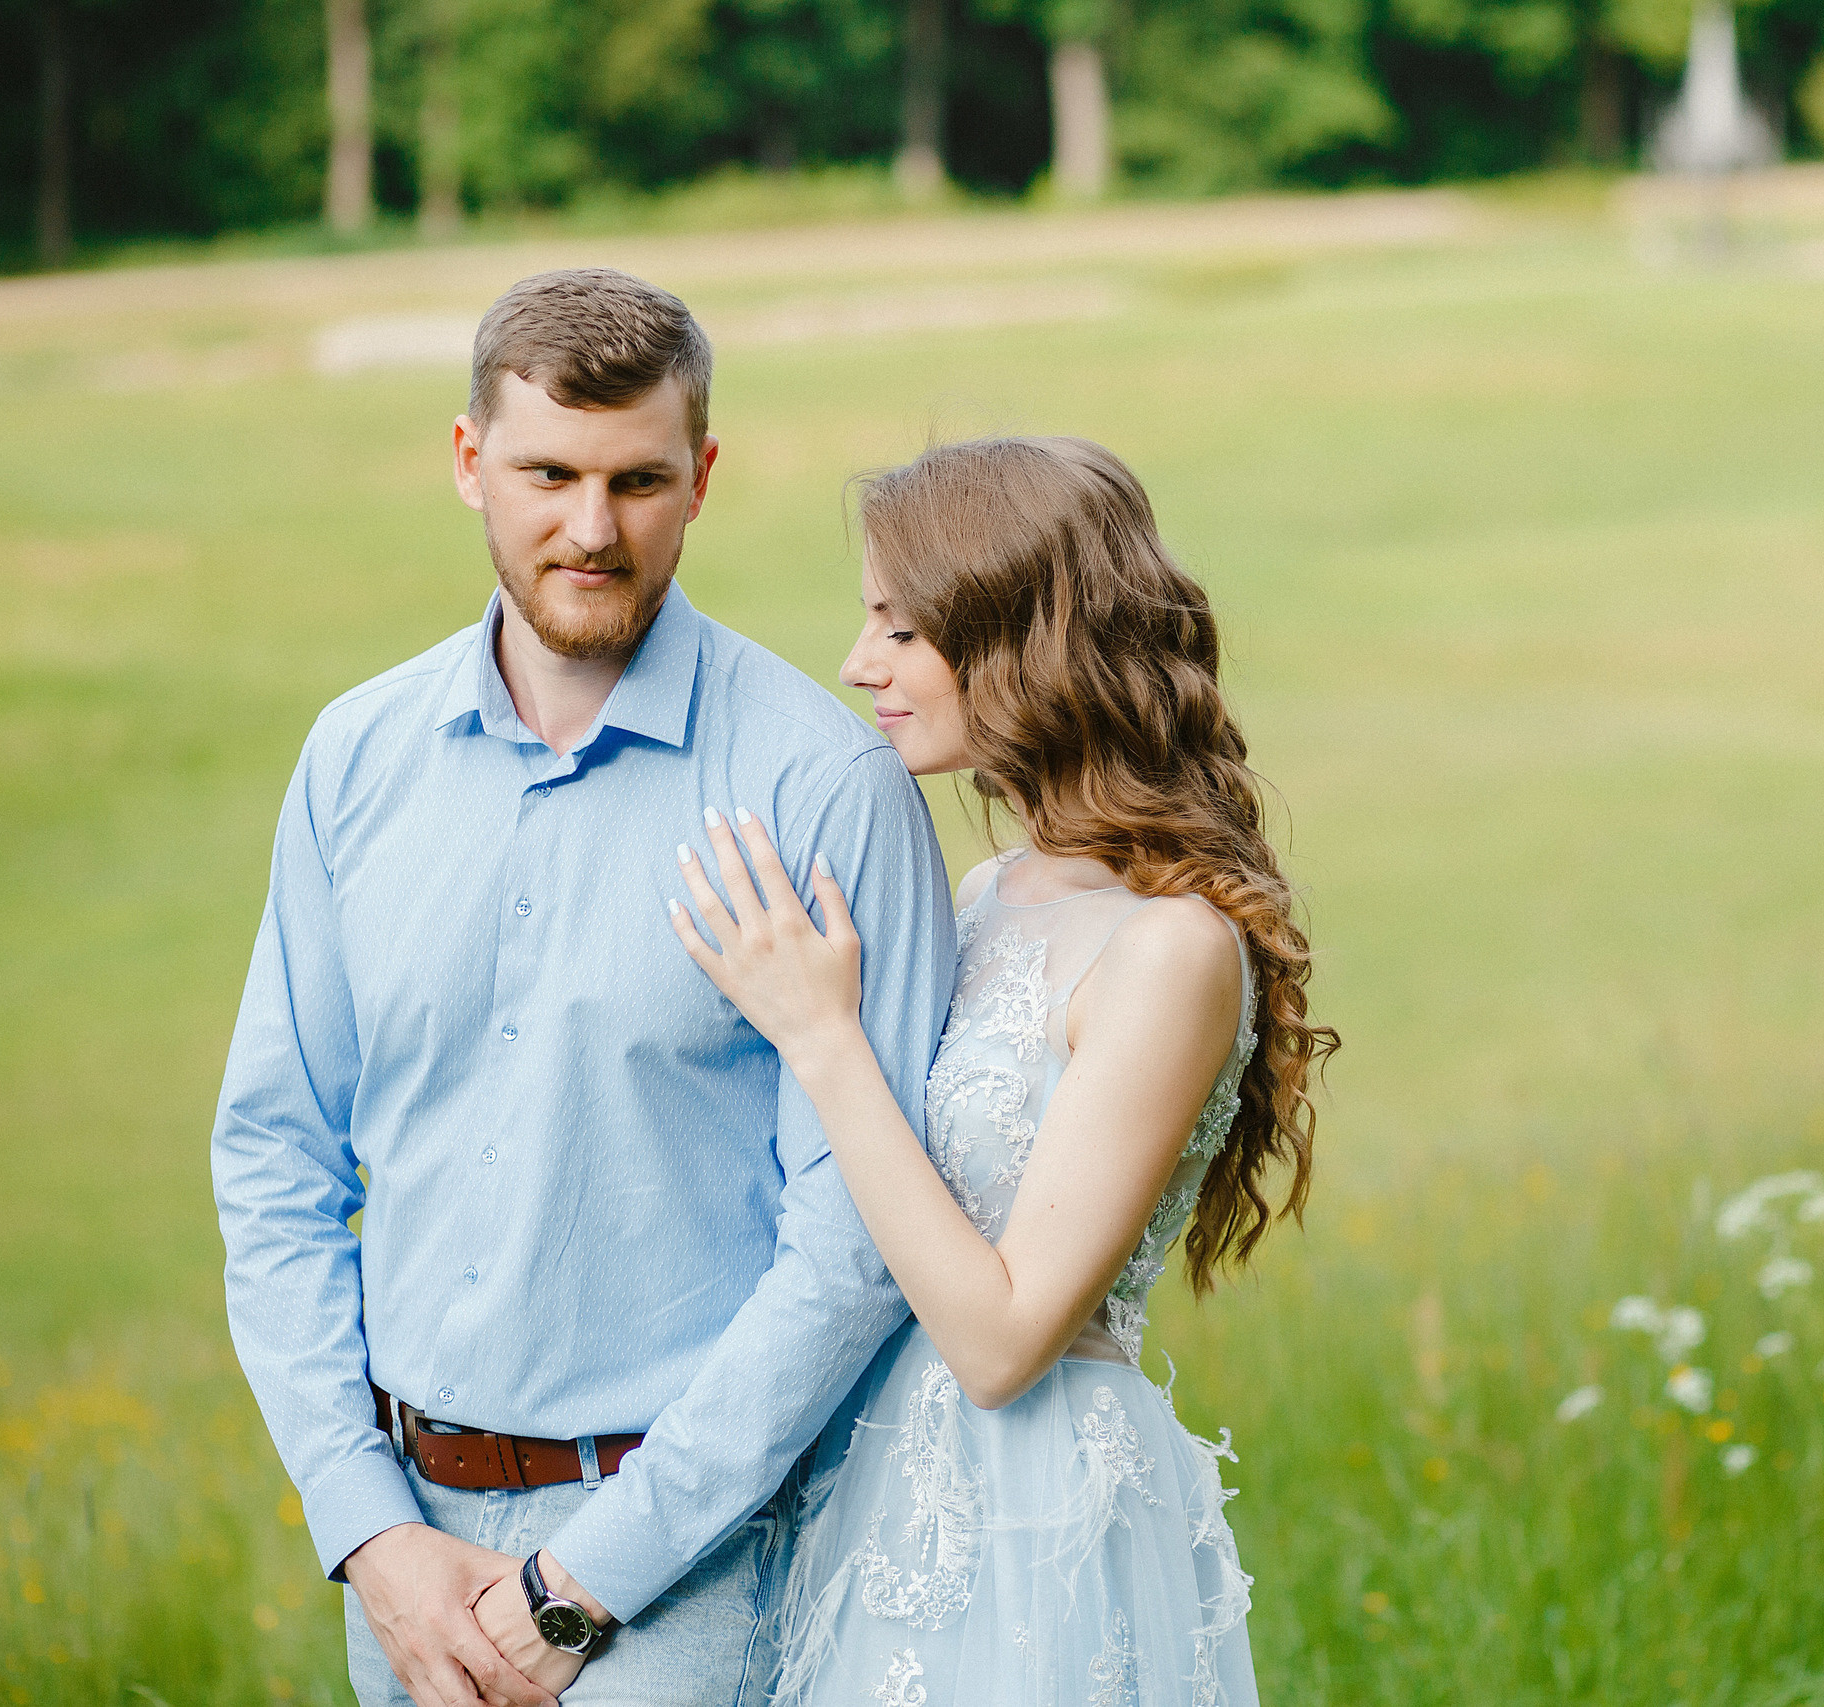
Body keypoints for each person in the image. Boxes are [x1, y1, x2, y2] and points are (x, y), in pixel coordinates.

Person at [209, 267, 956, 1704]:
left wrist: (583, 1577)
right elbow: (274, 1153)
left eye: (639, 480)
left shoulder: (824, 788)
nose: (591, 527)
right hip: (406, 1554)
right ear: (468, 460)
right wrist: (368, 1526)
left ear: (703, 480)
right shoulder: (354, 758)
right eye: (548, 472)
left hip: (687, 1569)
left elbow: (862, 1236)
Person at [664, 436, 1335, 1706]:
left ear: (1023, 641)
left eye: (898, 629)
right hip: (888, 1494)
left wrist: (823, 1037)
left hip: (1033, 1529)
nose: (860, 665)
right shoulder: (987, 892)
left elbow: (1003, 1338)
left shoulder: (1172, 950)